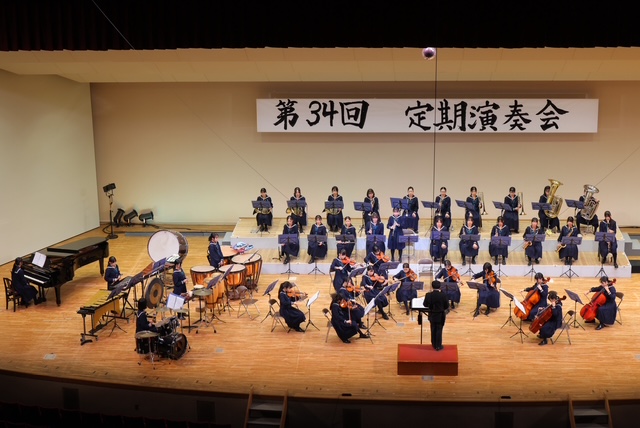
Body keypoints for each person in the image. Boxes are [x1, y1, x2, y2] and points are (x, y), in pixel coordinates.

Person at [423, 280, 450, 351]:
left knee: (433, 329)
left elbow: (425, 304)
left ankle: (433, 344)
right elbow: (446, 306)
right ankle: (438, 346)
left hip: (432, 314)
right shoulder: (443, 295)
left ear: (432, 286)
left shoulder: (428, 295)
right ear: (440, 286)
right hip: (440, 315)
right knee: (439, 330)